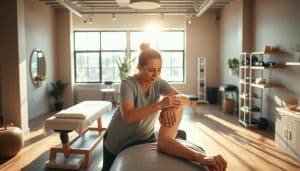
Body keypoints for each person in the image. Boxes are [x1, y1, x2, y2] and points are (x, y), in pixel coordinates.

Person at [102, 48, 227, 171]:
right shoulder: (128, 84)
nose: (156, 75)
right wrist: (160, 105)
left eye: (159, 70)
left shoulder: (158, 82)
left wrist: (169, 108)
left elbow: (185, 99)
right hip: (117, 142)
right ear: (139, 68)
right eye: (151, 70)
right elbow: (128, 116)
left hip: (144, 137)